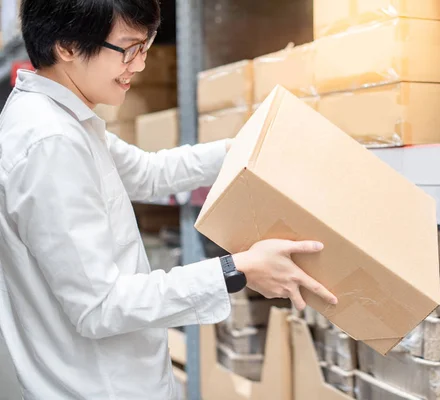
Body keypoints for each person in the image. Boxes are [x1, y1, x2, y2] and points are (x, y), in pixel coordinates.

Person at [0, 0, 337, 399]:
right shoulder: (49, 143)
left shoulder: (66, 120)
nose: (140, 65)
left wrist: (243, 148)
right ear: (68, 46)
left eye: (146, 45)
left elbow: (146, 173)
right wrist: (234, 270)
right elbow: (100, 306)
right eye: (128, 48)